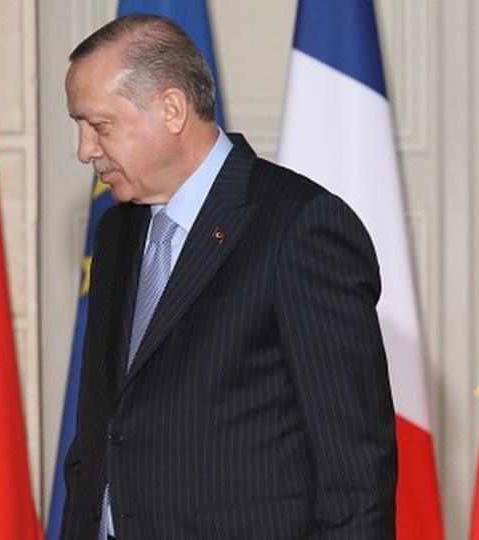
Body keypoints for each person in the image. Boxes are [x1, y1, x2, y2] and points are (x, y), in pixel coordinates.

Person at [60, 14, 396, 539]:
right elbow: (100, 434)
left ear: (171, 109)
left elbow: (355, 469)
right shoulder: (116, 233)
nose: (85, 150)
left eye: (99, 126)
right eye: (79, 127)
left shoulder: (299, 226)